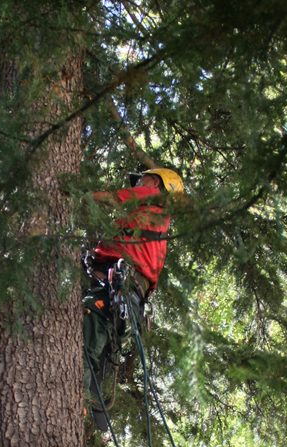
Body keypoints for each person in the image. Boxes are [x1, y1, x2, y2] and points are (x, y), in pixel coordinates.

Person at [82, 167, 184, 432]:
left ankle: (77, 388)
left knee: (91, 317)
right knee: (99, 329)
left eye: (143, 179)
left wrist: (83, 196)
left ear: (158, 184)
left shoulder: (154, 199)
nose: (139, 182)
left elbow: (118, 196)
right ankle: (92, 385)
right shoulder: (147, 222)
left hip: (123, 288)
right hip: (124, 291)